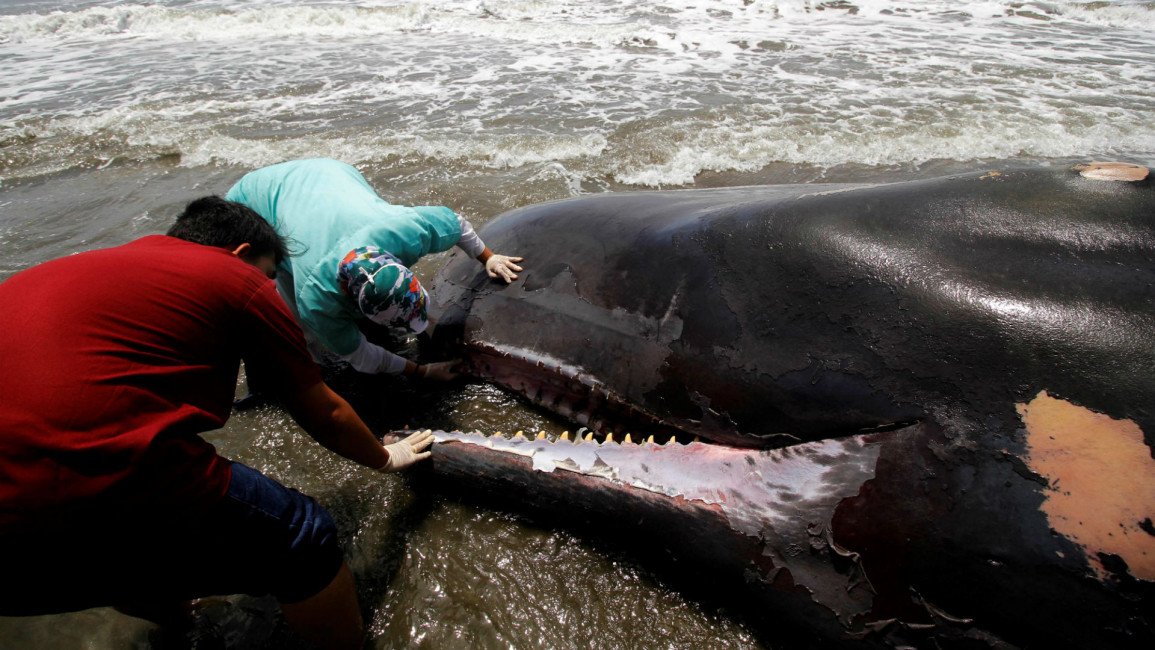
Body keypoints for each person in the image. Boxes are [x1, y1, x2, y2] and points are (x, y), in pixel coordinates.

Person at [0, 196, 432, 650]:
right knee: (304, 536)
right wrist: (385, 457)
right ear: (242, 253)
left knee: (125, 555)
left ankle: (179, 625)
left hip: (13, 565)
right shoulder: (234, 277)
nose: (269, 283)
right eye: (269, 272)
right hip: (87, 476)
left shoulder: (85, 268)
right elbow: (320, 409)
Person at [225, 158, 524, 381]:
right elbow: (361, 356)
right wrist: (421, 372)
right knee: (305, 332)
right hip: (257, 202)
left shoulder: (403, 230)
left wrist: (489, 257)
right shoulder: (315, 296)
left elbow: (456, 223)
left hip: (329, 172)